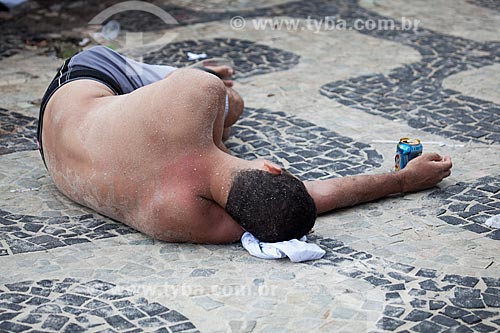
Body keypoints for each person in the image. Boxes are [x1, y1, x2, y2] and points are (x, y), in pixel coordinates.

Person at [36, 46, 452, 244]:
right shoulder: (179, 217)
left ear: (272, 166)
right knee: (221, 111)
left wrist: (402, 181)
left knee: (226, 100)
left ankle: (196, 71)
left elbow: (301, 198)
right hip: (52, 144)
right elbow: (312, 199)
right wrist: (398, 182)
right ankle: (179, 73)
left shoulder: (198, 94)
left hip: (77, 86)